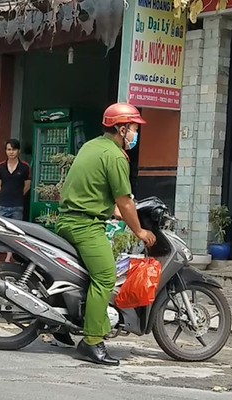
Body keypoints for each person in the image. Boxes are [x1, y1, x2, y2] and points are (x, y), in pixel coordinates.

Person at [55, 103, 157, 366]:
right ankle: (91, 342)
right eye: (134, 129)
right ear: (121, 129)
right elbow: (124, 201)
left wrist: (115, 212)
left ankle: (66, 323)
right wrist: (140, 231)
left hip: (70, 219)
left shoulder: (91, 146)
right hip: (85, 226)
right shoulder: (114, 156)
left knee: (88, 275)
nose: (135, 135)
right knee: (105, 276)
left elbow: (94, 191)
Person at [0, 138, 31, 265]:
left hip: (17, 205)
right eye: (9, 149)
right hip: (2, 204)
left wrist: (17, 195)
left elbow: (27, 186)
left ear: (19, 151)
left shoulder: (24, 167)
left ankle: (9, 257)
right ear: (6, 151)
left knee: (14, 232)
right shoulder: (0, 167)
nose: (11, 152)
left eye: (14, 149)